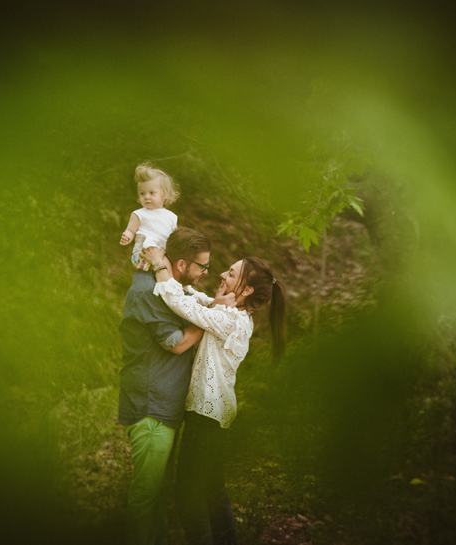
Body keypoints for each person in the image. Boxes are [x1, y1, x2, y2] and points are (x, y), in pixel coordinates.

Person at [142, 246, 287, 545]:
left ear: (245, 289)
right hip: (215, 416)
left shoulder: (232, 321)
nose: (222, 273)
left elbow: (183, 306)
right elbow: (198, 299)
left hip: (205, 416)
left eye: (231, 273)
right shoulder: (229, 313)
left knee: (188, 495)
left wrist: (159, 265)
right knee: (212, 492)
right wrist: (179, 279)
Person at [118, 226, 212, 545]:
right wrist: (209, 322)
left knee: (156, 497)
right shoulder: (149, 291)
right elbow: (175, 343)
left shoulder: (168, 288)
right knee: (146, 497)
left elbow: (189, 306)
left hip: (163, 408)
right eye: (203, 266)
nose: (206, 272)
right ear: (183, 264)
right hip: (151, 408)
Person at [120, 162, 180, 271]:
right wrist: (127, 236)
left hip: (163, 253)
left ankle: (178, 285)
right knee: (166, 268)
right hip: (144, 254)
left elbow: (174, 236)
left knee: (175, 267)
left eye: (152, 193)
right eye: (142, 193)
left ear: (165, 194)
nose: (146, 197)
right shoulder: (139, 214)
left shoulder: (171, 216)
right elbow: (131, 230)